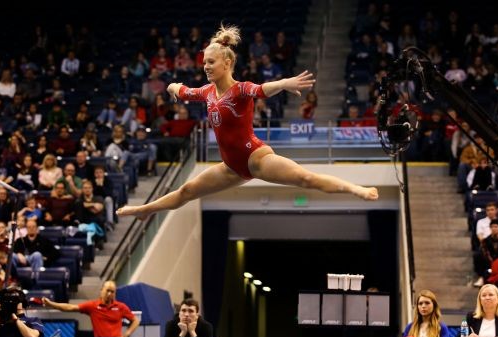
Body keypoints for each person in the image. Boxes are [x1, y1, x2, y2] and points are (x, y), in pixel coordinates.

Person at [117, 25, 378, 220]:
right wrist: (173, 87)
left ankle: (356, 189)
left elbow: (263, 89)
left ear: (227, 62)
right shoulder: (207, 92)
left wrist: (285, 83)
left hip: (257, 158)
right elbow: (183, 90)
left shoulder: (240, 90)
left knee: (304, 178)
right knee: (186, 191)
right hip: (231, 168)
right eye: (204, 62)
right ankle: (145, 211)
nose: (206, 67)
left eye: (211, 62)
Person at [42, 281, 139, 337]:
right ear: (102, 291)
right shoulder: (92, 306)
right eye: (107, 290)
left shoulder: (121, 307)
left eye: (112, 291)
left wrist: (126, 334)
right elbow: (70, 307)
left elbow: (135, 320)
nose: (109, 294)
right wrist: (51, 304)